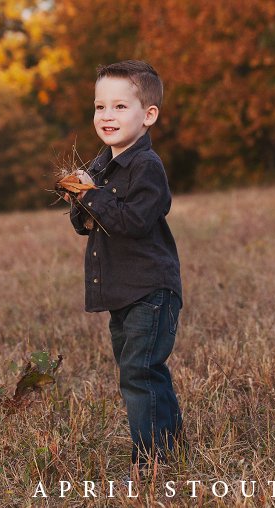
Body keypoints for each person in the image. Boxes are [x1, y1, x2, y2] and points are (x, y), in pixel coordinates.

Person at [67, 61, 183, 470]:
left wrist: (93, 195)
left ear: (148, 115)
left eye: (119, 106)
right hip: (123, 290)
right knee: (141, 370)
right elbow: (88, 226)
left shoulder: (146, 167)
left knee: (139, 371)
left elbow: (133, 222)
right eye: (100, 107)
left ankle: (152, 459)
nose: (107, 116)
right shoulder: (101, 164)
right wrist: (79, 199)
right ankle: (169, 445)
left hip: (151, 289)